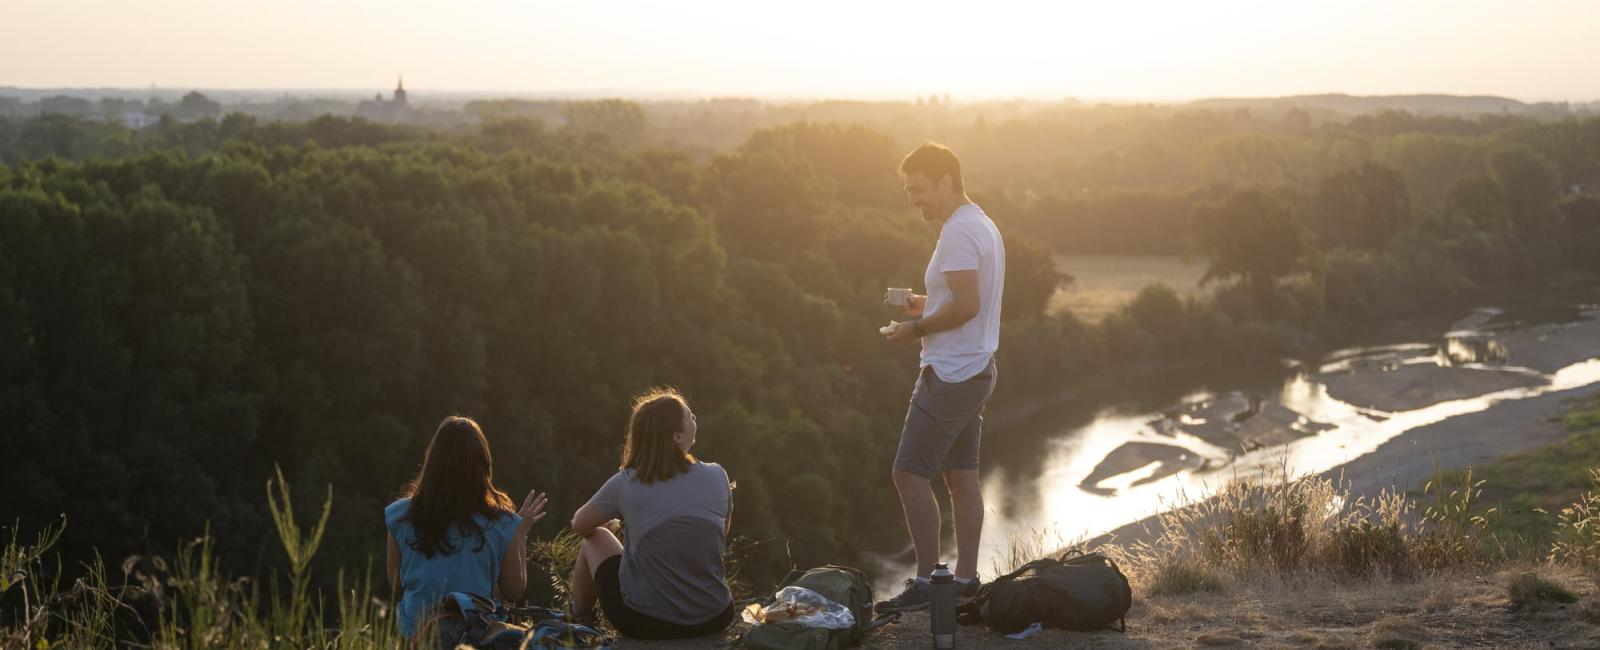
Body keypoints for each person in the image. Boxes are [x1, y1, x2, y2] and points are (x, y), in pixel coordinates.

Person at [877, 142, 1005, 612]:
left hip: (950, 373)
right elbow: (964, 299)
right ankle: (966, 581)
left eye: (919, 189)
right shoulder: (982, 224)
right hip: (975, 368)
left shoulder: (956, 232)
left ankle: (930, 585)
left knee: (908, 474)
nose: (914, 200)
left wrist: (916, 329)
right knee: (960, 476)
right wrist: (920, 305)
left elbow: (968, 305)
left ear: (946, 181)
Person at [568, 387, 736, 639]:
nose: (695, 419)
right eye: (690, 416)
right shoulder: (717, 475)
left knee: (596, 537)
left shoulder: (625, 483)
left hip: (644, 622)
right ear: (677, 436)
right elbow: (720, 535)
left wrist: (610, 527)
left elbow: (579, 524)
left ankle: (580, 619)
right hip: (715, 616)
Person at [385, 416, 548, 638]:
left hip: (415, 636)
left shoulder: (399, 515)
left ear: (432, 461)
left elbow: (396, 586)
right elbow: (513, 591)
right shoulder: (503, 523)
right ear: (483, 464)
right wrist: (519, 534)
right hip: (473, 637)